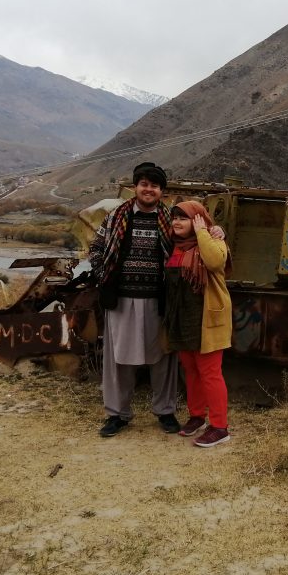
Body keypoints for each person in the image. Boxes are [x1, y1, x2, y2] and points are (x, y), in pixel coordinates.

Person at [88, 162, 181, 437]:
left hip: (158, 300)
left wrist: (215, 232)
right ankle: (117, 414)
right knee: (119, 360)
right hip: (121, 299)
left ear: (161, 191)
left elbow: (190, 243)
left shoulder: (170, 220)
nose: (148, 189)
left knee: (163, 357)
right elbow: (95, 247)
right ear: (135, 187)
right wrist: (103, 273)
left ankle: (165, 411)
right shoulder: (116, 216)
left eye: (154, 185)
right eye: (144, 184)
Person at [165, 200, 233, 447]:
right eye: (174, 218)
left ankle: (220, 426)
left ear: (198, 220)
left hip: (207, 319)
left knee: (210, 373)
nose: (176, 222)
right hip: (183, 318)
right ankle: (197, 416)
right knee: (191, 370)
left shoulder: (214, 242)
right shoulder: (174, 246)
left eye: (184, 218)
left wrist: (205, 230)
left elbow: (215, 262)